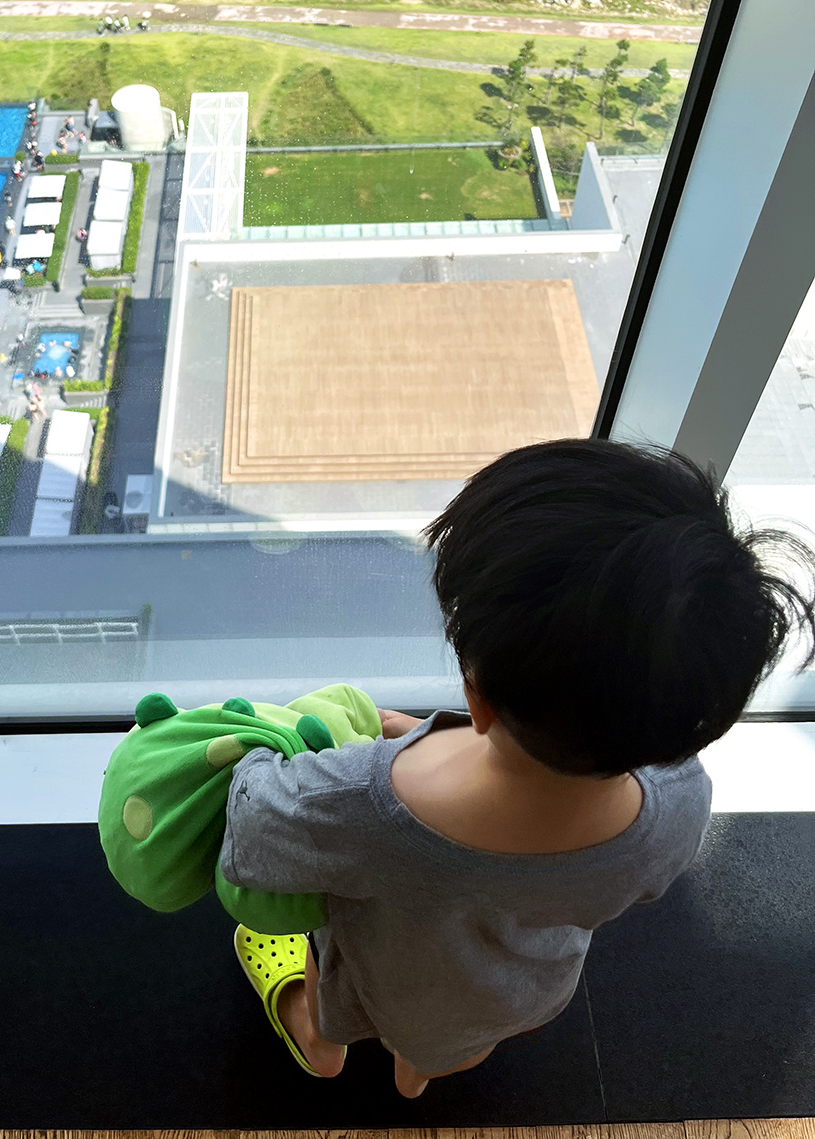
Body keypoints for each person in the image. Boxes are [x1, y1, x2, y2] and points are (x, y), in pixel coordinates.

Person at [217, 439, 815, 1098]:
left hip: (378, 983)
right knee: (443, 1045)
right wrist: (419, 738)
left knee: (326, 972)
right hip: (521, 993)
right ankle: (416, 1075)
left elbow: (254, 833)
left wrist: (266, 746)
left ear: (474, 696)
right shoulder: (680, 801)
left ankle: (317, 1041)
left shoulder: (355, 802)